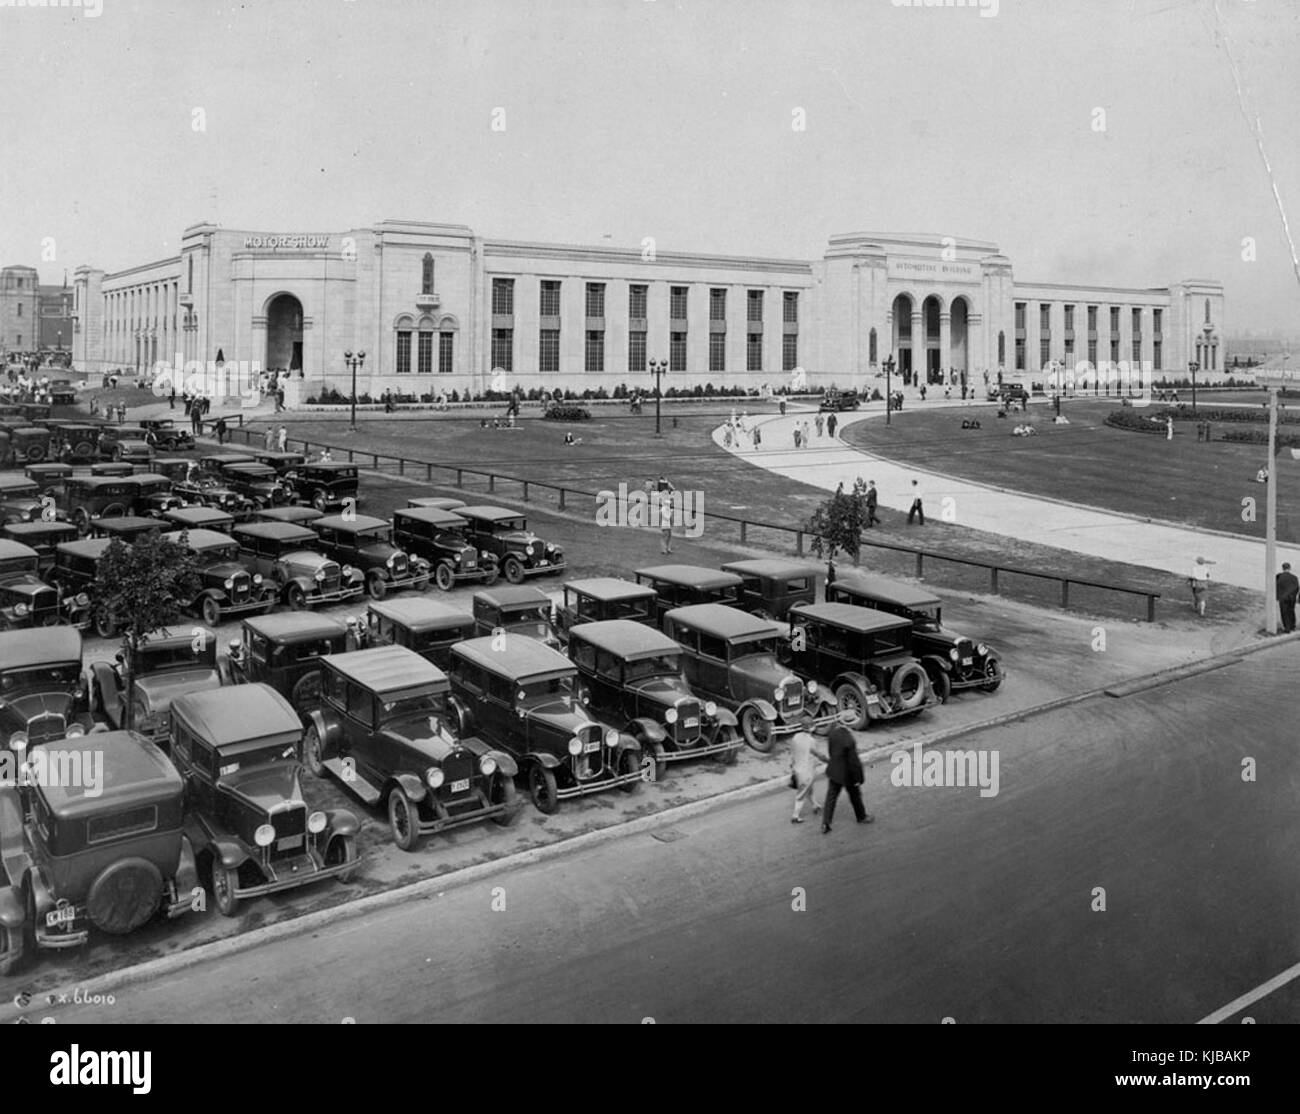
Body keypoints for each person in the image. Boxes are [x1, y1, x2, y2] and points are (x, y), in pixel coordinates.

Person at [822, 724, 872, 833]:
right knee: (855, 796)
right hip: (848, 774)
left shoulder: (833, 734)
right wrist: (859, 778)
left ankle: (826, 823)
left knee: (831, 797)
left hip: (834, 771)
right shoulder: (849, 740)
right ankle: (861, 817)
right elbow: (854, 762)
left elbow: (831, 751)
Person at [788, 722, 824, 823]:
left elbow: (793, 752)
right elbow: (818, 754)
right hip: (806, 772)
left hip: (797, 769)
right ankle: (795, 816)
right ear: (812, 728)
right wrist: (827, 760)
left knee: (809, 788)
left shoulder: (796, 737)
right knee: (801, 795)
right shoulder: (812, 741)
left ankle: (815, 805)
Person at [1277, 563, 1299, 633]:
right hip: (1292, 598)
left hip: (1283, 597)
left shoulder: (1279, 576)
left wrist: (1278, 596)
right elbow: (1296, 588)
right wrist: (1294, 596)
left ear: (1282, 568)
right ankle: (1293, 625)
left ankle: (1287, 627)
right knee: (1291, 611)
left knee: (1284, 612)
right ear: (1289, 568)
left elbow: (1277, 587)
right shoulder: (1294, 577)